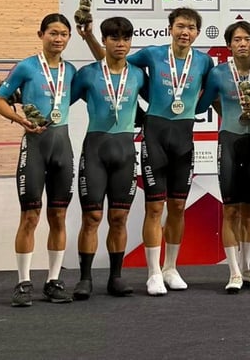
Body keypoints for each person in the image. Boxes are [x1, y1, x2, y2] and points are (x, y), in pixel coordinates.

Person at [80, 7, 214, 295]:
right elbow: (113, 63)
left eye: (191, 27)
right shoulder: (152, 54)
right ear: (170, 27)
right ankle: (153, 272)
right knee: (155, 207)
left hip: (183, 139)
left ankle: (171, 267)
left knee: (178, 207)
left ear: (197, 32)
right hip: (154, 137)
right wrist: (90, 37)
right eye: (180, 26)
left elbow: (213, 96)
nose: (185, 32)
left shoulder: (204, 62)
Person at [0, 14, 78, 306]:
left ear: (69, 38)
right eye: (53, 33)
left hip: (62, 148)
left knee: (59, 216)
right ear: (40, 34)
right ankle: (23, 282)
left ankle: (54, 280)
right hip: (35, 147)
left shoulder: (71, 71)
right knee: (30, 216)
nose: (58, 39)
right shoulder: (27, 67)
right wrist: (19, 119)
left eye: (64, 34)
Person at [70, 17, 147, 299]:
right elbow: (59, 101)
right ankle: (85, 279)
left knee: (119, 217)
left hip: (125, 151)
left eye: (126, 39)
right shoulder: (88, 74)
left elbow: (161, 101)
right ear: (104, 41)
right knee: (91, 217)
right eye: (114, 38)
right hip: (95, 150)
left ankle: (116, 277)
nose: (120, 44)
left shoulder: (138, 74)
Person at [197, 21, 250, 293]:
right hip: (229, 141)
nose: (242, 43)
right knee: (231, 209)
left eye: (247, 39)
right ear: (228, 45)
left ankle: (247, 268)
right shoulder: (217, 74)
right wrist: (225, 108)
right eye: (236, 39)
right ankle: (234, 272)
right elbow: (203, 104)